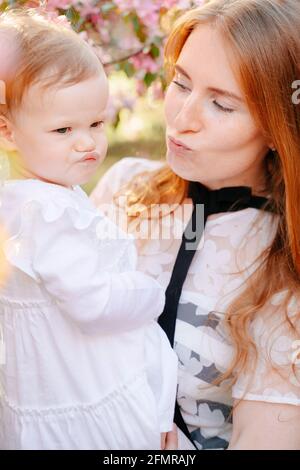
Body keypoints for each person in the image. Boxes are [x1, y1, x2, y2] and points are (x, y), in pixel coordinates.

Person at [91, 0, 300, 450]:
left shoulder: (284, 262)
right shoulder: (123, 187)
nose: (182, 119)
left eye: (222, 105)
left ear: (277, 126)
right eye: (180, 84)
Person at [0, 9, 178, 450]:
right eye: (64, 129)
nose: (88, 143)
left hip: (60, 383)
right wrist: (150, 291)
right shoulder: (47, 213)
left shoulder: (33, 196)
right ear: (7, 130)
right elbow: (93, 302)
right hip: (85, 401)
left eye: (96, 123)